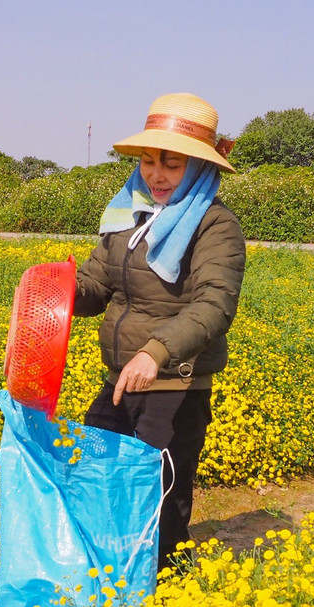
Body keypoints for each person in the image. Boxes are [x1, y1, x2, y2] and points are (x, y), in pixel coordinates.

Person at [73, 92, 246, 573]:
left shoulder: (215, 225)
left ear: (197, 166)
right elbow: (98, 285)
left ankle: (166, 589)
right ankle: (112, 577)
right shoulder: (127, 218)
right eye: (149, 162)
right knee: (99, 474)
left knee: (162, 494)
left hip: (175, 382)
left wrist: (156, 351)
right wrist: (63, 291)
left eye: (171, 163)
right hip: (122, 378)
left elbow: (215, 303)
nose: (156, 174)